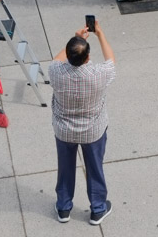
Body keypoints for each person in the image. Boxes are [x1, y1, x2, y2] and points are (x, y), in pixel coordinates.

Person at [48, 20, 116, 226]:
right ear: (87, 57)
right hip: (93, 131)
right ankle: (97, 209)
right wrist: (100, 33)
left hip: (64, 131)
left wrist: (76, 39)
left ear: (69, 56)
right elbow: (110, 60)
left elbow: (56, 59)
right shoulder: (99, 74)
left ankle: (63, 207)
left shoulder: (56, 72)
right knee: (95, 168)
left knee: (65, 168)